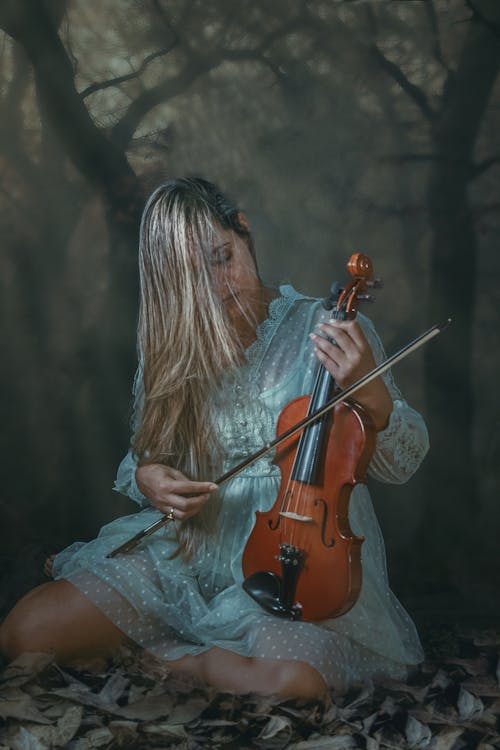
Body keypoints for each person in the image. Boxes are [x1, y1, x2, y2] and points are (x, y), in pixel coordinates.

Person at [0, 177, 429, 698]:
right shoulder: (179, 345)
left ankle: (169, 657)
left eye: (221, 257)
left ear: (243, 231)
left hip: (294, 564)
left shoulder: (328, 327)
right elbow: (146, 455)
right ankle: (183, 642)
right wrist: (149, 477)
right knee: (25, 633)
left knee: (294, 683)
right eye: (189, 277)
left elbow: (399, 462)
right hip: (189, 552)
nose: (216, 285)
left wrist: (373, 390)